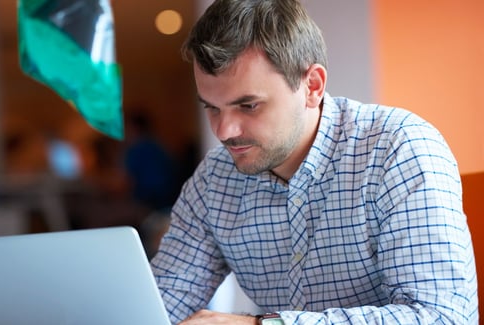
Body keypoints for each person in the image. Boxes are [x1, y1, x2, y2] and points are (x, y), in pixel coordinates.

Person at [149, 0, 479, 324]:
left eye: (248, 106)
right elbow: (162, 305)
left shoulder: (399, 149)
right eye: (212, 107)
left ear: (312, 86)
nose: (224, 130)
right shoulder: (214, 181)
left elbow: (442, 318)